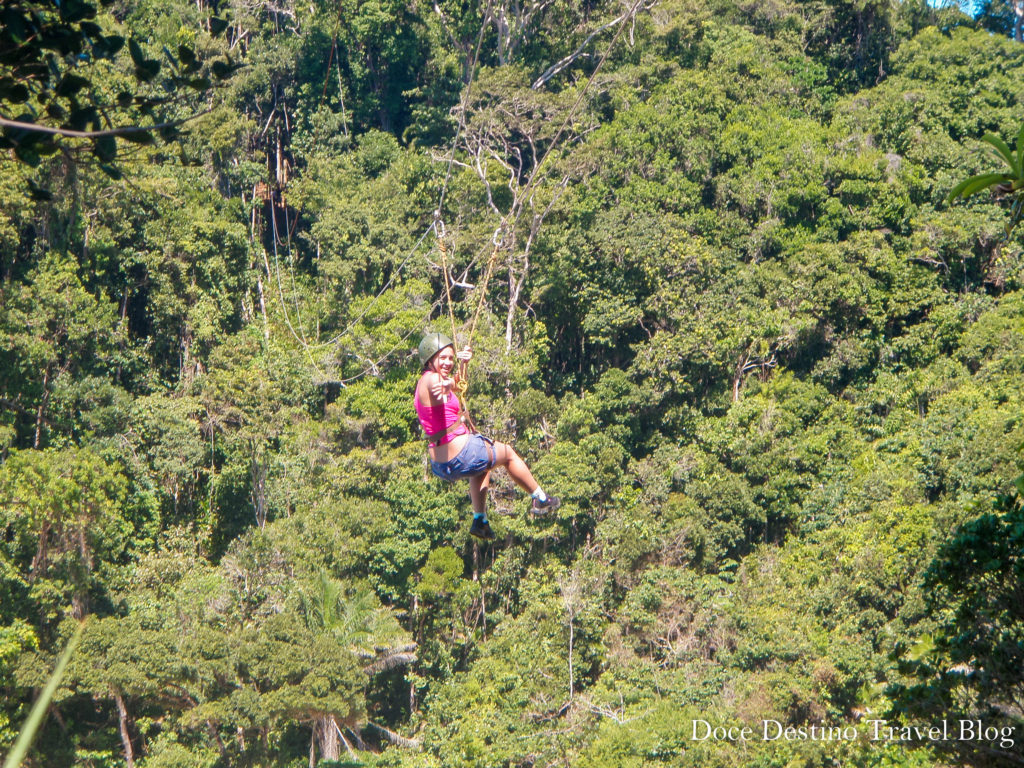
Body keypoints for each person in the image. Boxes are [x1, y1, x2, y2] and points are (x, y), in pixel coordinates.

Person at [414, 332, 559, 540]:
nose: (448, 362)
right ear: (429, 360)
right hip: (460, 453)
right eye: (442, 358)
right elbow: (441, 384)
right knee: (508, 454)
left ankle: (480, 520)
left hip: (441, 464)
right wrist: (446, 384)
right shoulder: (432, 379)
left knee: (483, 465)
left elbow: (457, 383)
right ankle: (540, 498)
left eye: (451, 358)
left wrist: (463, 365)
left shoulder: (425, 382)